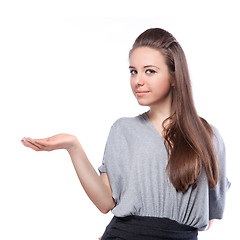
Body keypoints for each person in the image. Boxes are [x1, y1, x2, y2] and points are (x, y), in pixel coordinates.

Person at [21, 28, 230, 240]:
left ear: (175, 77)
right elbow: (105, 203)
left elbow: (208, 218)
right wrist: (72, 146)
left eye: (149, 71)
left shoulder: (208, 137)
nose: (138, 80)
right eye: (133, 71)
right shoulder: (123, 130)